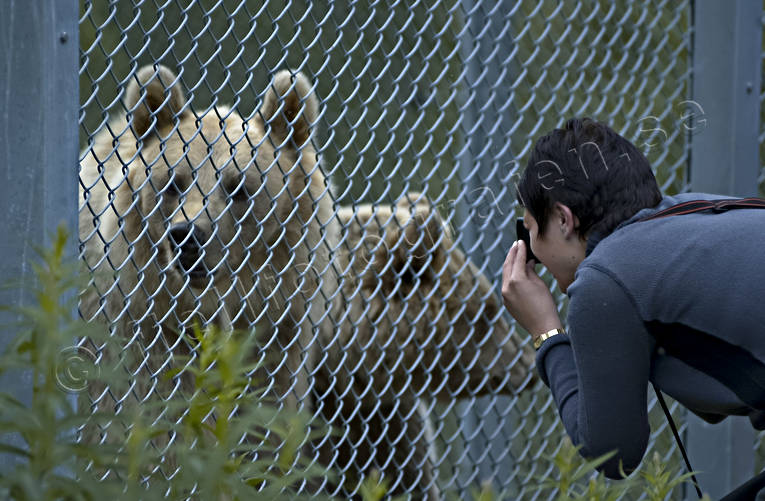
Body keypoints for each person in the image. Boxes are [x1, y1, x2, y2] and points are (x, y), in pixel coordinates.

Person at [501, 117, 765, 499]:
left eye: (529, 230)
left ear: (562, 219)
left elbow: (612, 454)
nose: (532, 252)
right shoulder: (696, 213)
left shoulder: (607, 279)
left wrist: (546, 332)